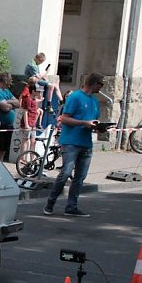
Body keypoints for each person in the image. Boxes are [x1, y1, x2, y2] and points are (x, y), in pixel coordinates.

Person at [43, 73, 106, 218]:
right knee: (65, 172)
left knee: (80, 177)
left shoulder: (95, 101)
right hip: (71, 142)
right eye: (100, 85)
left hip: (86, 143)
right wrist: (84, 123)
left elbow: (93, 121)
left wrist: (99, 127)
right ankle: (50, 202)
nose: (101, 88)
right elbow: (64, 119)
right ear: (94, 83)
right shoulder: (75, 97)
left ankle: (71, 206)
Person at [0, 72, 20, 161]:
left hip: (8, 126)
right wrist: (11, 103)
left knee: (3, 150)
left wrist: (8, 101)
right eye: (10, 81)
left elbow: (18, 103)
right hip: (1, 125)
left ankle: (1, 166)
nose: (11, 83)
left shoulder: (6, 91)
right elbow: (5, 108)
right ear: (6, 81)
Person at [19, 83, 43, 156]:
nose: (39, 93)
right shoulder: (28, 99)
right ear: (33, 91)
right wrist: (26, 125)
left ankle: (32, 158)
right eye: (38, 91)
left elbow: (39, 99)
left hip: (33, 124)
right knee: (25, 140)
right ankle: (22, 158)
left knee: (33, 141)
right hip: (28, 123)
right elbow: (25, 112)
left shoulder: (34, 100)